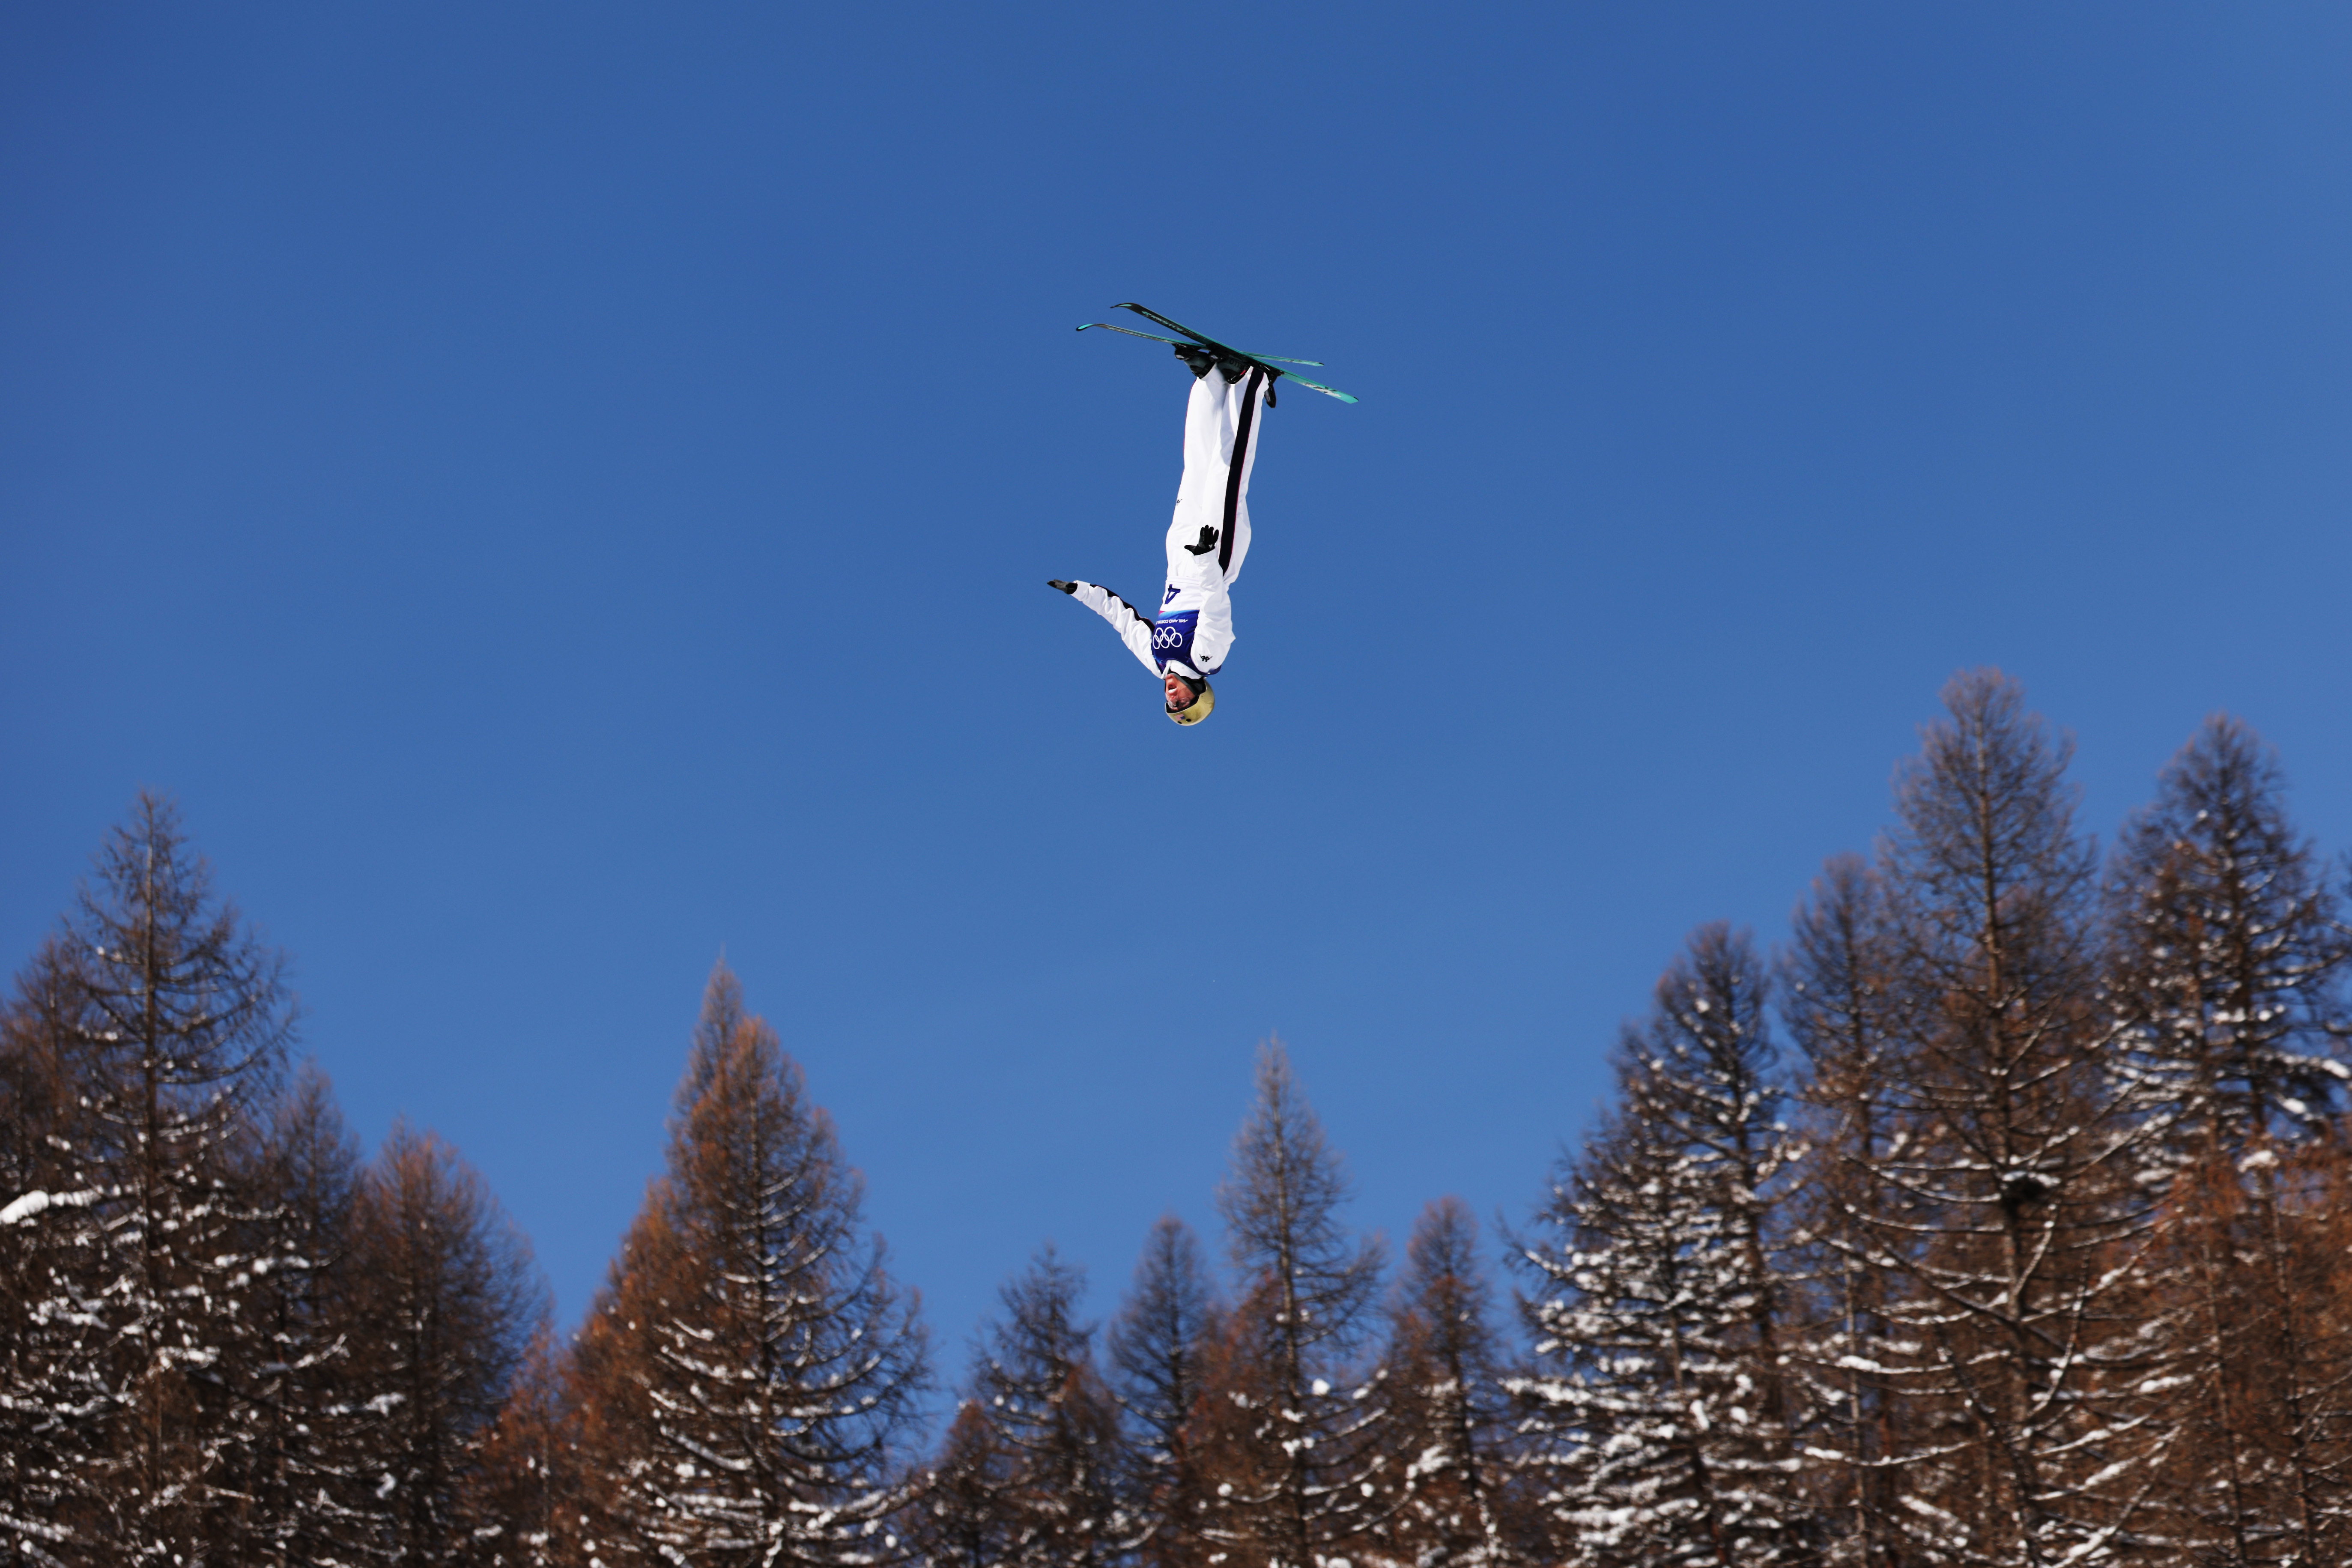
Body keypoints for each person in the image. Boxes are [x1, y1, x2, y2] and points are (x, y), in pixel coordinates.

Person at [1049, 354, 1271, 726]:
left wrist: (1079, 591)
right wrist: (1204, 560)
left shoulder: (1156, 660)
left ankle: (1211, 380)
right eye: (1183, 701)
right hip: (1215, 559)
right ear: (1198, 692)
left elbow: (1122, 619)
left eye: (1171, 704)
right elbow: (1216, 604)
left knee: (1196, 466)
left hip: (1179, 556)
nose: (1172, 696)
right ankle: (1253, 382)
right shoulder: (1206, 659)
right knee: (1225, 475)